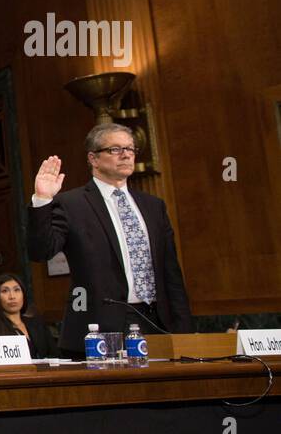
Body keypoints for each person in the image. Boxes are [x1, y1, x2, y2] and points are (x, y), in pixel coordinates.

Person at [28, 123, 192, 355]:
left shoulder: (153, 206)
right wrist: (43, 199)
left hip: (158, 321)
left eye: (130, 149)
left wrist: (184, 331)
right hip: (101, 326)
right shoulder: (72, 204)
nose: (126, 154)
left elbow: (171, 272)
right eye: (115, 149)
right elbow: (40, 251)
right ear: (93, 159)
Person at [0, 272, 55, 358]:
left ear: (23, 294)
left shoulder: (38, 324)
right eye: (5, 291)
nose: (12, 296)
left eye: (17, 290)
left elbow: (55, 356)